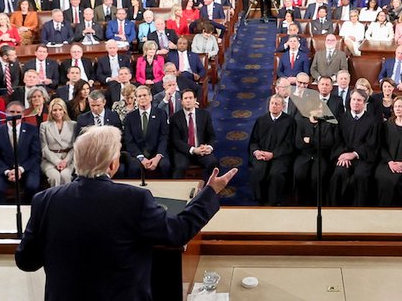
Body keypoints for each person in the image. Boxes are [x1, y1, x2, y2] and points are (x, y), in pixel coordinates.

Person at [15, 125, 237, 301]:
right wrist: (210, 192)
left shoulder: (44, 200)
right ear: (113, 165)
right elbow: (177, 232)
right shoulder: (134, 199)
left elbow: (26, 260)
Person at [330, 89, 381, 206]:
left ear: (365, 103)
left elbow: (372, 144)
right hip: (344, 157)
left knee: (360, 176)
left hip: (363, 158)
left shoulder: (372, 121)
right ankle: (336, 208)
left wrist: (354, 154)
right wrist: (343, 155)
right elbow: (338, 140)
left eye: (359, 100)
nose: (355, 102)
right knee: (339, 173)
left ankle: (359, 209)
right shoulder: (342, 118)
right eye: (353, 99)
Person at [248, 95, 295, 206]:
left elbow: (289, 144)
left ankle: (274, 202)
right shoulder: (261, 120)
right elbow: (253, 141)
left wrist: (273, 154)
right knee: (258, 170)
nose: (274, 106)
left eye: (277, 104)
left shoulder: (289, 121)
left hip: (280, 156)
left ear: (283, 106)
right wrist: (256, 151)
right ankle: (259, 199)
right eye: (272, 103)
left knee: (276, 174)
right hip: (262, 154)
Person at [122, 86, 170, 179]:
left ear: (151, 97)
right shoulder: (130, 117)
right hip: (138, 153)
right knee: (134, 167)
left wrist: (158, 157)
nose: (142, 98)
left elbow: (164, 137)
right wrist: (141, 158)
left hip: (157, 152)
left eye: (145, 95)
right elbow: (128, 140)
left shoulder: (161, 114)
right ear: (136, 99)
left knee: (165, 165)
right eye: (139, 96)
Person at [168, 89, 217, 179]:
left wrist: (209, 147)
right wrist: (193, 150)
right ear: (181, 101)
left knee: (212, 162)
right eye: (185, 98)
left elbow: (211, 135)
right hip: (183, 151)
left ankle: (211, 186)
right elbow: (175, 140)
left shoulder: (205, 115)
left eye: (190, 98)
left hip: (201, 149)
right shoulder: (175, 118)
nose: (188, 100)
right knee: (180, 167)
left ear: (195, 100)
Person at [40, 99, 76, 186]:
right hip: (50, 160)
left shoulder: (73, 125)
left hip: (68, 159)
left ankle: (67, 195)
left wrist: (65, 161)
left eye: (60, 109)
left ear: (64, 110)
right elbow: (44, 148)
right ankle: (55, 195)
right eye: (54, 110)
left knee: (65, 175)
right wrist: (57, 162)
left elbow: (75, 147)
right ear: (51, 111)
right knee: (54, 176)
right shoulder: (44, 126)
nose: (57, 112)